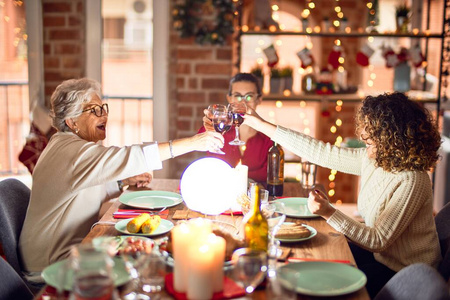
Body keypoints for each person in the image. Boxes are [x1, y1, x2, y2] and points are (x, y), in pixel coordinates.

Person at [18, 78, 224, 280]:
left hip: (71, 252)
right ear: (72, 122)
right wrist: (193, 143)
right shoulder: (71, 152)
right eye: (94, 110)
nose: (104, 115)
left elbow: (81, 190)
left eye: (103, 108)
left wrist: (122, 182)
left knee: (145, 254)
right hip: (50, 266)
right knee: (147, 265)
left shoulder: (68, 146)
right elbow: (131, 156)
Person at [243, 92, 442, 298]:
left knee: (319, 284)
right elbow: (320, 152)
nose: (364, 136)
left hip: (404, 274)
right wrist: (260, 124)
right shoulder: (376, 160)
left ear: (394, 138)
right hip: (379, 257)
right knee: (314, 260)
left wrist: (329, 212)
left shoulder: (412, 180)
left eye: (372, 134)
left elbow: (378, 240)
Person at [199, 73, 273, 183]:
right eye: (238, 96)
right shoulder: (217, 130)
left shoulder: (269, 141)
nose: (243, 102)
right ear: (229, 99)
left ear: (259, 99)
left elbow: (271, 182)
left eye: (249, 96)